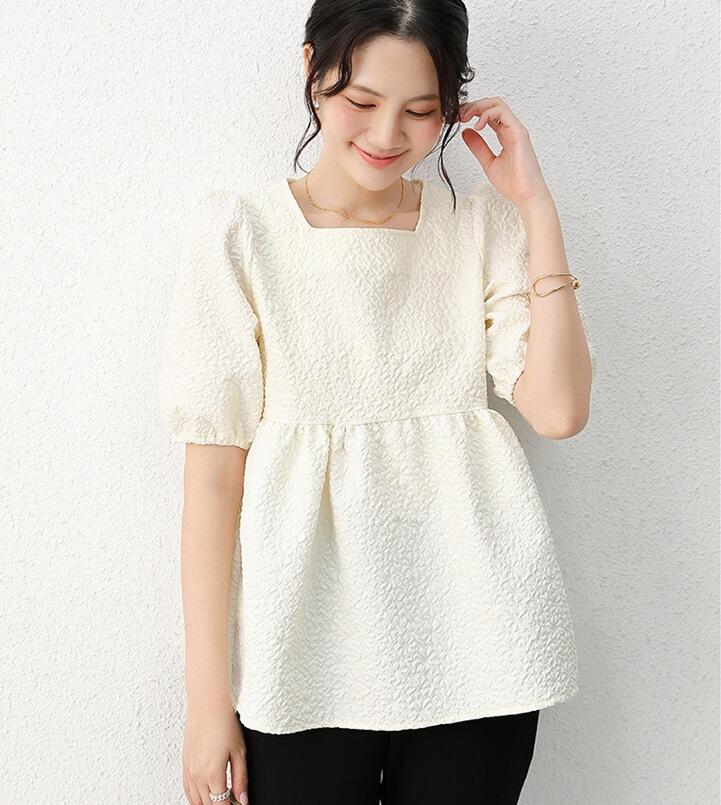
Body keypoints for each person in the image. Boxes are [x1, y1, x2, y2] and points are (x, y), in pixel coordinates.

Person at [158, 1, 596, 803]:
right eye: (360, 100)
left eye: (421, 111)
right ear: (312, 71)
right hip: (302, 643)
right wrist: (206, 701)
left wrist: (534, 206)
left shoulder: (476, 226)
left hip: (478, 631)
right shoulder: (242, 232)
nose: (387, 134)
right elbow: (212, 478)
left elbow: (558, 411)